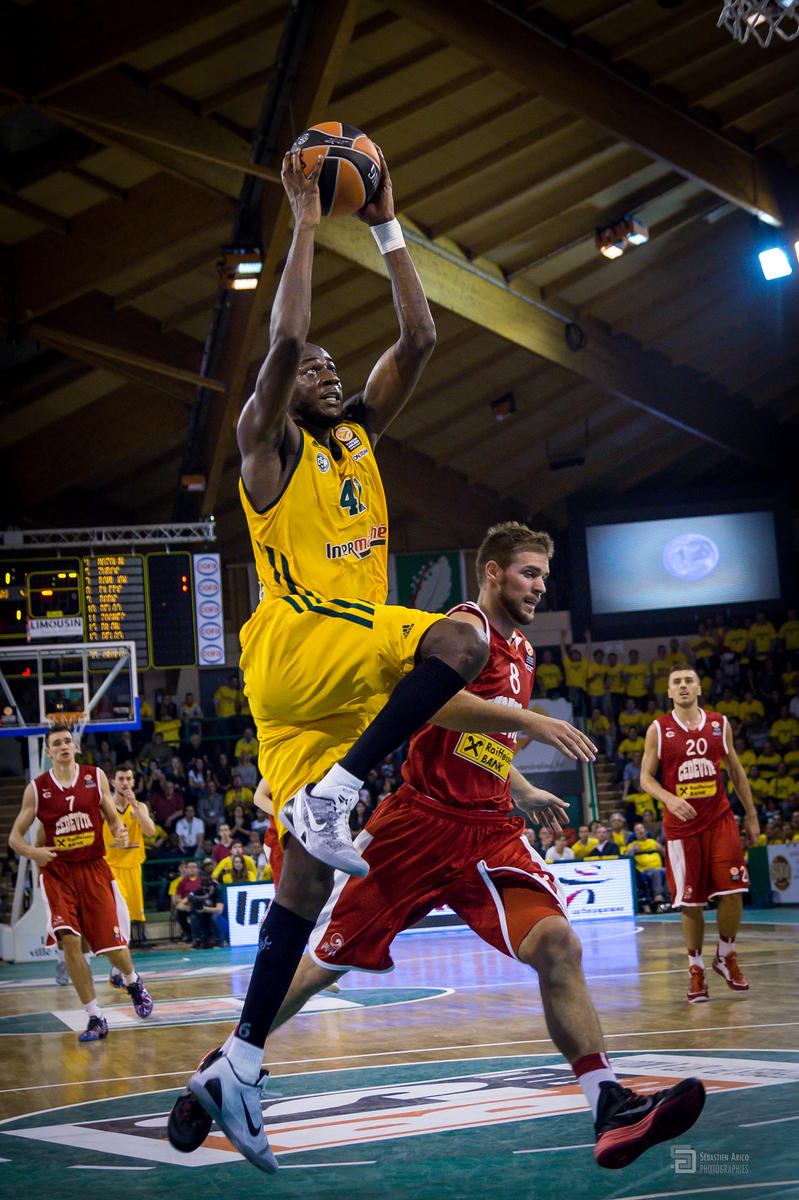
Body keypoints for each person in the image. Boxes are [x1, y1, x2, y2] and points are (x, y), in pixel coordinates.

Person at [169, 522, 704, 1171]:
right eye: (529, 573)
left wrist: (519, 785)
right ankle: (227, 1063)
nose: (540, 586)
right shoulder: (462, 628)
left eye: (544, 575)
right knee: (321, 966)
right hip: (416, 825)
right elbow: (433, 708)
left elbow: (483, 739)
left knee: (558, 945)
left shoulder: (524, 651)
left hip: (489, 832)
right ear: (492, 572)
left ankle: (608, 1104)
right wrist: (531, 721)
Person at [167, 144, 503, 1168]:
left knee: (304, 888)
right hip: (299, 637)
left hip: (315, 689)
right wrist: (309, 219)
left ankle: (233, 1066)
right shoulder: (266, 445)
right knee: (463, 637)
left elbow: (421, 336)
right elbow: (282, 338)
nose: (323, 370)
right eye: (311, 368)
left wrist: (387, 219)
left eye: (329, 368)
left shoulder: (356, 439)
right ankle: (343, 787)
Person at [8, 726, 153, 1040]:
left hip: (93, 868)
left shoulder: (95, 777)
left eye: (67, 741)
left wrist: (118, 830)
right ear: (48, 752)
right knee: (70, 941)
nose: (63, 746)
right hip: (58, 873)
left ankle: (132, 980)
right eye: (56, 743)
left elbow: (112, 817)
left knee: (113, 947)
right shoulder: (37, 789)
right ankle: (95, 1017)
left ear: (75, 747)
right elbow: (14, 837)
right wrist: (33, 852)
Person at [640, 664, 760, 1003]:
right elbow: (645, 779)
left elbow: (736, 771)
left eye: (688, 681)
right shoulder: (658, 729)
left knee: (735, 891)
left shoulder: (720, 724)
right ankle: (696, 969)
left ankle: (726, 955)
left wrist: (751, 815)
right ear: (669, 692)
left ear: (699, 688)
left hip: (720, 819)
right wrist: (669, 798)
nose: (683, 686)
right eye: (676, 682)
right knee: (691, 902)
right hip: (682, 828)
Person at [103, 763, 155, 954]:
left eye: (128, 779)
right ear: (113, 782)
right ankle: (119, 948)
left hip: (133, 866)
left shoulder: (140, 806)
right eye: (121, 779)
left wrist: (134, 806)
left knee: (133, 913)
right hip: (112, 866)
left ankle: (126, 948)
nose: (125, 783)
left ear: (133, 782)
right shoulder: (105, 806)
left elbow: (150, 831)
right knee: (119, 909)